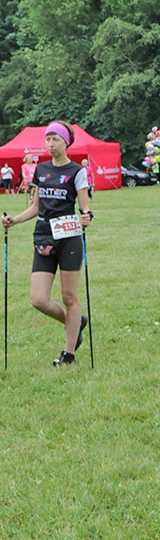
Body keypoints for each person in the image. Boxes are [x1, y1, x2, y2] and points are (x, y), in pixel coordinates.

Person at [1, 121, 93, 366]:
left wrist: (86, 216)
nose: (51, 145)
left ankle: (69, 354)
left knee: (69, 296)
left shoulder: (77, 171)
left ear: (66, 142)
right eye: (48, 140)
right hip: (43, 235)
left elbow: (85, 205)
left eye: (56, 140)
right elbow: (35, 207)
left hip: (69, 237)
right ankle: (75, 322)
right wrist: (14, 220)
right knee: (38, 298)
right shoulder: (40, 170)